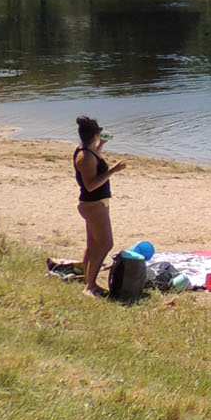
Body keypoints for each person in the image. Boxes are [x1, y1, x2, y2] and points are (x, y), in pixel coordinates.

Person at [73, 115, 127, 296]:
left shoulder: (87, 150)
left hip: (94, 204)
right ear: (95, 134)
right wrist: (113, 170)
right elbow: (90, 185)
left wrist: (101, 145)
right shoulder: (85, 157)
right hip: (93, 204)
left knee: (93, 244)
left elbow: (94, 160)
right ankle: (90, 286)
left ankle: (85, 278)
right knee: (105, 244)